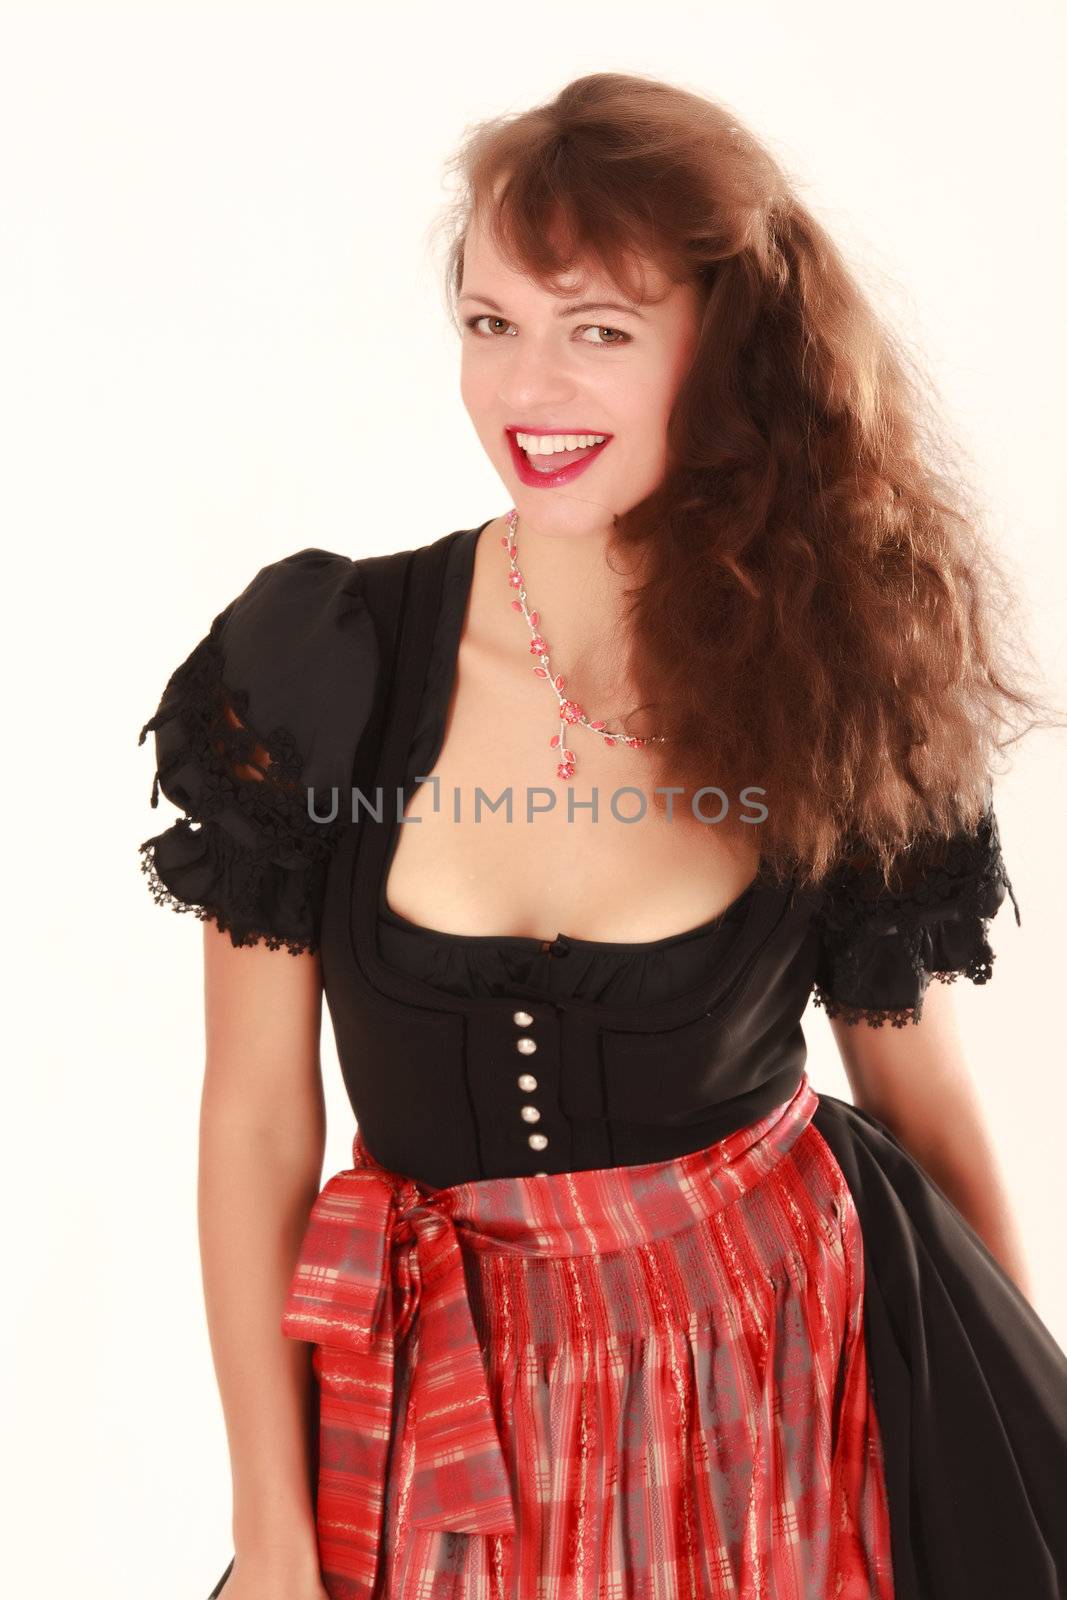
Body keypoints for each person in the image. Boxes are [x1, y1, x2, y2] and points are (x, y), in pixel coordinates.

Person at [138, 72, 1067, 1600]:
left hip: (779, 1400)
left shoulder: (839, 677)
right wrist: (271, 1538)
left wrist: (1016, 1484)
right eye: (492, 323)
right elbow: (255, 1117)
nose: (528, 392)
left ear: (727, 355)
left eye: (601, 332)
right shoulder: (322, 662)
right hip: (434, 1432)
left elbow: (925, 1098)